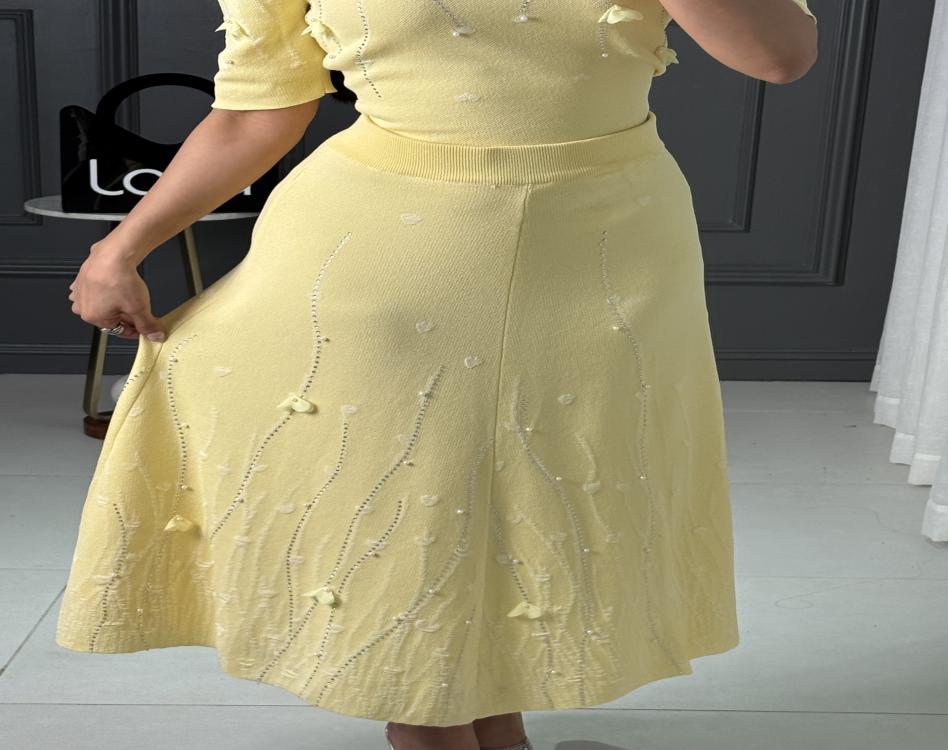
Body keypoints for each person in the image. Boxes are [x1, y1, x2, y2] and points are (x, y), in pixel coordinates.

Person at [57, 1, 817, 748]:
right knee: (413, 495)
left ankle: (498, 730)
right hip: (388, 241)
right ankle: (427, 728)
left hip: (610, 243)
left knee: (546, 490)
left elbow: (779, 56)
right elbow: (253, 113)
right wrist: (118, 249)